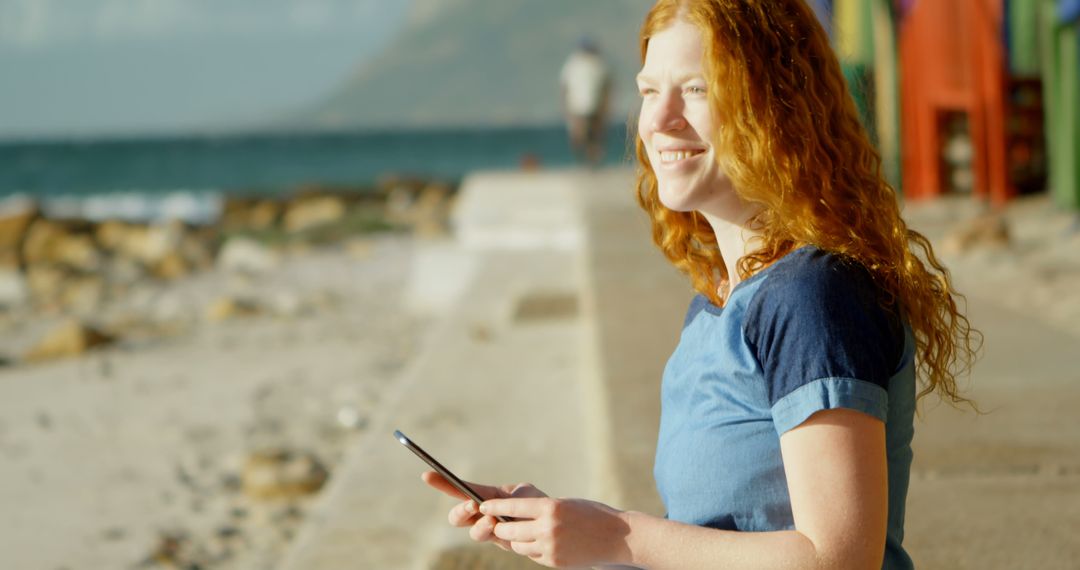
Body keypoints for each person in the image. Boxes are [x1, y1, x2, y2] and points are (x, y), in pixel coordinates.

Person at [421, 1, 980, 568]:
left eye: (696, 90)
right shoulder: (722, 299)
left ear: (775, 105)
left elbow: (837, 558)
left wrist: (620, 536)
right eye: (647, 91)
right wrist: (568, 530)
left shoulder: (812, 296)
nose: (660, 119)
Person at [560, 37, 612, 165]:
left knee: (589, 136)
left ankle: (588, 162)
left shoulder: (575, 64)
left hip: (584, 107)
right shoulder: (592, 64)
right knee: (589, 136)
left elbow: (564, 89)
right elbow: (607, 88)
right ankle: (588, 162)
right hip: (584, 106)